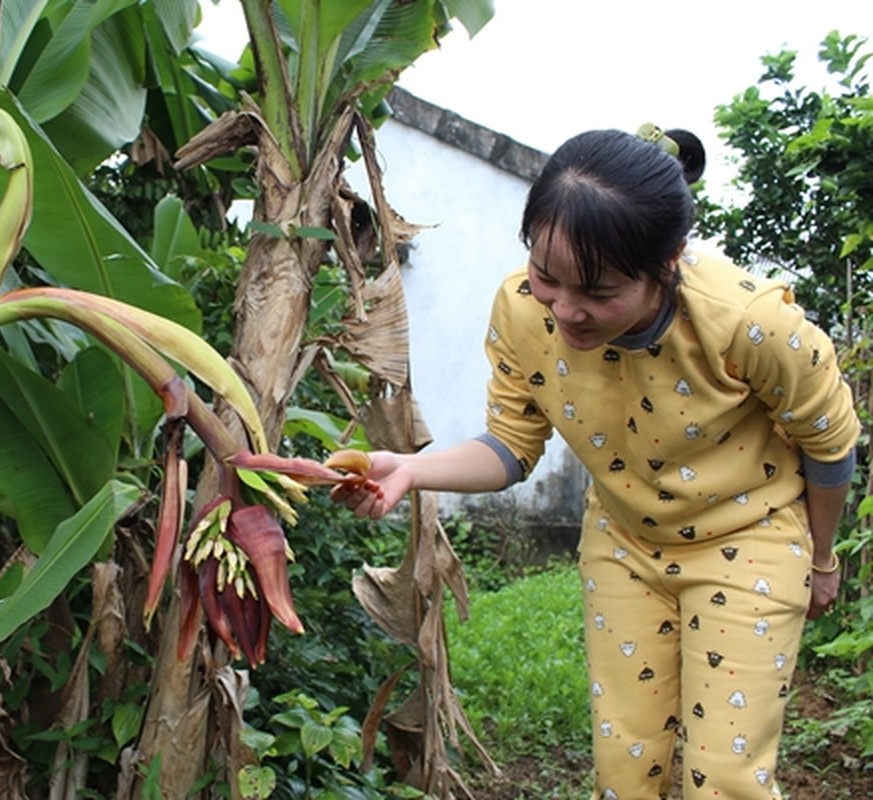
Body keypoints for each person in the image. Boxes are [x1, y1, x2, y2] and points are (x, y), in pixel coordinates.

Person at [331, 127, 860, 798]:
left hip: (749, 537)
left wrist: (820, 558)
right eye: (547, 277)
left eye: (599, 292)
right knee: (625, 768)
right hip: (624, 546)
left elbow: (828, 442)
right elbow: (511, 446)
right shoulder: (523, 312)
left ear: (668, 261)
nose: (567, 311)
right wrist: (407, 470)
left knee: (723, 778)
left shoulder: (747, 323)